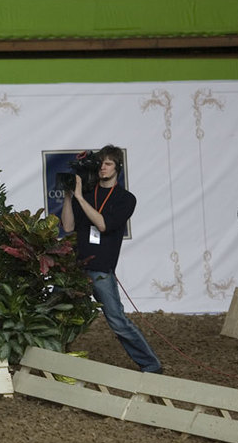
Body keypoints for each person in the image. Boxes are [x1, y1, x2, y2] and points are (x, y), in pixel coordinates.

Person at [60, 145, 163, 374]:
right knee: (61, 313)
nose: (102, 168)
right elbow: (68, 226)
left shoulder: (126, 199)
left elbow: (103, 224)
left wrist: (79, 197)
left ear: (118, 168)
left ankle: (151, 365)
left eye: (108, 164)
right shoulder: (86, 195)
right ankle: (55, 361)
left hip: (101, 270)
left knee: (117, 321)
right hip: (77, 267)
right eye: (101, 164)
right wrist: (69, 197)